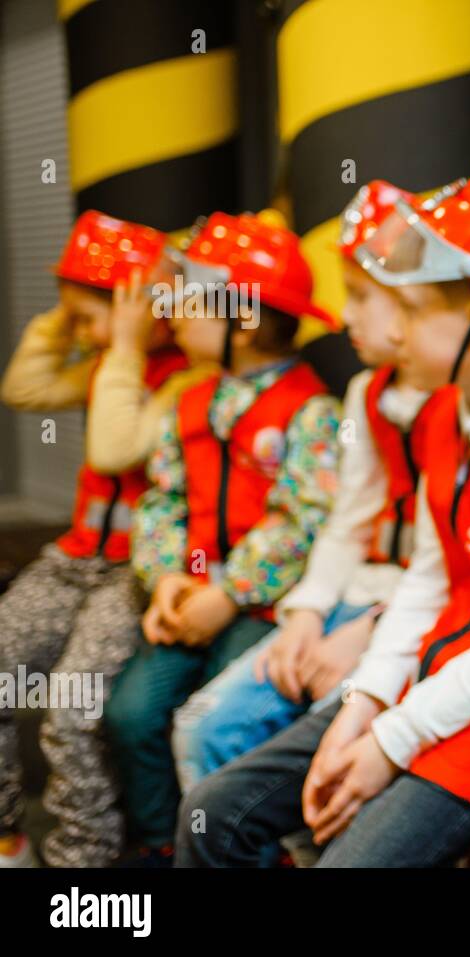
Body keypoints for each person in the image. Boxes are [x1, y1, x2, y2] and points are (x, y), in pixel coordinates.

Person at [176, 178, 470, 868]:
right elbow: (428, 583)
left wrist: (386, 740)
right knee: (212, 812)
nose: (388, 330)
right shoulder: (442, 414)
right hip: (421, 690)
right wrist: (362, 706)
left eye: (405, 306)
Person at [168, 182, 434, 791]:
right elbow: (347, 521)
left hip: (407, 622)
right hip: (353, 598)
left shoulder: (465, 404)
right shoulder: (369, 393)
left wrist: (364, 631)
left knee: (328, 748)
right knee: (201, 728)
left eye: (364, 298)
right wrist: (306, 616)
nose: (345, 319)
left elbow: (455, 576)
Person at [103, 211, 342, 865]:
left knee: (216, 718)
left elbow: (302, 522)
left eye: (189, 298)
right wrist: (167, 579)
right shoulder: (186, 402)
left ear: (242, 318)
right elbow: (163, 500)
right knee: (129, 714)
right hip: (189, 596)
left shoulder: (313, 410)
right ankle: (163, 843)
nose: (172, 311)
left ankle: (248, 848)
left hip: (263, 608)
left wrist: (229, 594)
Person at [0, 211, 204, 867]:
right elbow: (23, 386)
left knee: (70, 706)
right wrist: (74, 313)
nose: (80, 336)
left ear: (144, 311)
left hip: (134, 573)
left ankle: (82, 862)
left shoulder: (189, 377)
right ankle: (10, 836)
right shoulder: (108, 361)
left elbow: (117, 448)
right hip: (75, 559)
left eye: (91, 318)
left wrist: (122, 344)